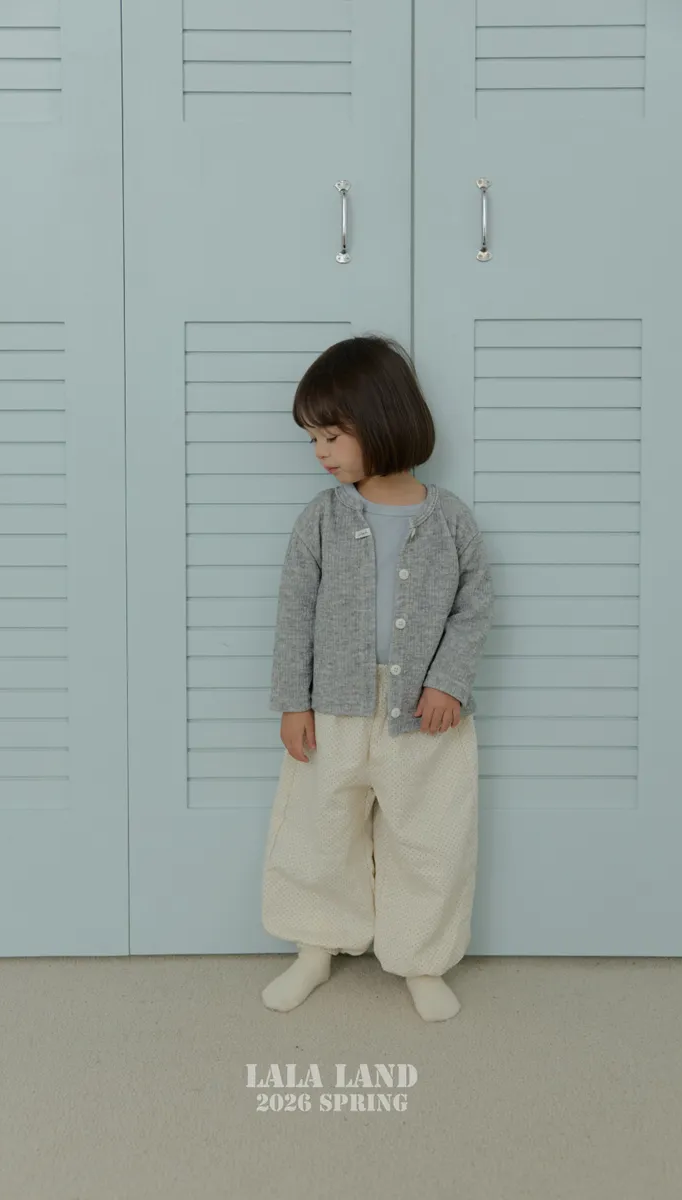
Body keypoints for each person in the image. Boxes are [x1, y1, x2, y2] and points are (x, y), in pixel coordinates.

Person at [260, 334, 494, 1021]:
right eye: (313, 439)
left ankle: (422, 958)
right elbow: (294, 612)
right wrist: (293, 701)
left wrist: (448, 682)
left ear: (384, 419)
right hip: (334, 706)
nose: (320, 452)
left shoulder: (450, 520)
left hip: (427, 715)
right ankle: (315, 945)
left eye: (331, 436)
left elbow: (475, 605)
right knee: (320, 828)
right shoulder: (322, 519)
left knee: (429, 837)